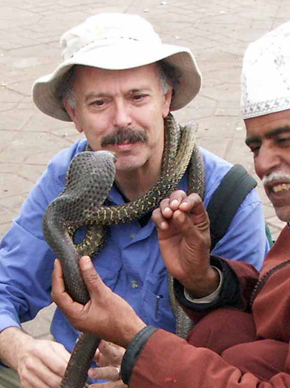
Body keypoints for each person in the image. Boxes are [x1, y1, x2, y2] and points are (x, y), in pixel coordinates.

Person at [52, 18, 290, 388]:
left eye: (286, 140)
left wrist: (137, 341)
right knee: (224, 332)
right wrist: (205, 280)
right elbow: (282, 304)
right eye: (256, 146)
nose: (264, 163)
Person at [0, 13, 268, 388]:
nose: (121, 120)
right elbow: (5, 285)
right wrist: (19, 348)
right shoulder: (66, 181)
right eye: (98, 104)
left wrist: (150, 368)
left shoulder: (227, 197)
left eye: (137, 97)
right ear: (75, 115)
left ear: (166, 99)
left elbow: (253, 344)